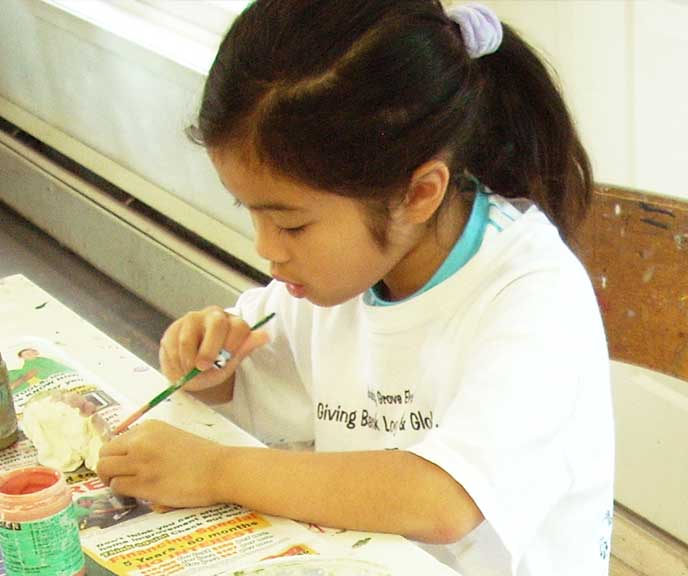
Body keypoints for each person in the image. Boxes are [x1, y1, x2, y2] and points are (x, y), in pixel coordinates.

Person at [96, 2, 613, 575]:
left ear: (418, 194)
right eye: (252, 213)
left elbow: (443, 500)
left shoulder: (533, 295)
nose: (266, 249)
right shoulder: (331, 279)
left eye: (291, 223)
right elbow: (266, 392)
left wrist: (216, 471)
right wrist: (216, 369)